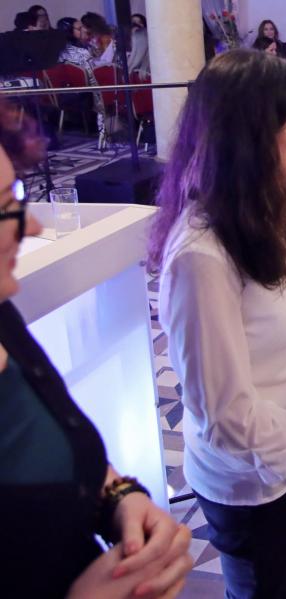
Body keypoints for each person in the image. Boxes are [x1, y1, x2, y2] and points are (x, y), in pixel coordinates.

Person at [149, 49, 286, 599]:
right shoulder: (201, 255)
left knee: (283, 574)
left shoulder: (262, 207)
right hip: (250, 479)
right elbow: (224, 413)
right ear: (257, 135)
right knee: (263, 586)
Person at [0, 100, 193, 599]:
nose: (32, 226)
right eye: (4, 206)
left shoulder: (4, 319)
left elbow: (67, 458)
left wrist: (122, 501)